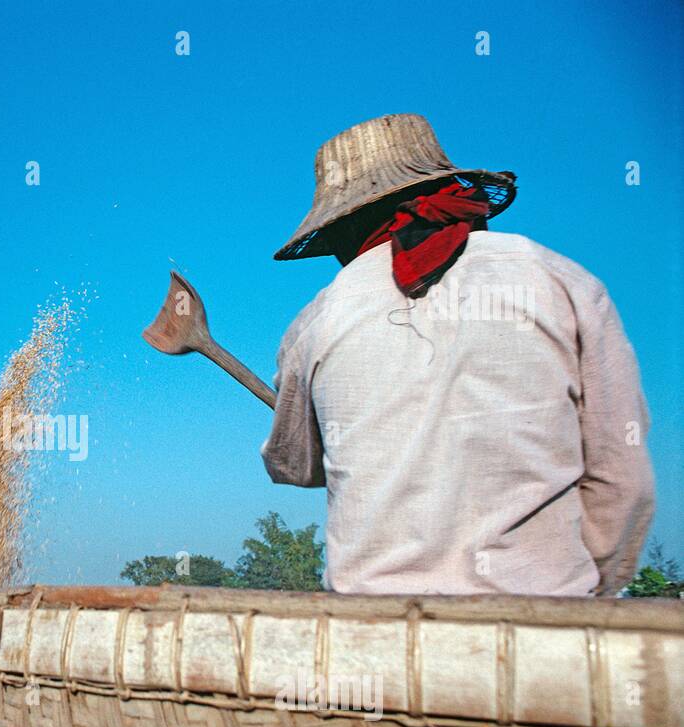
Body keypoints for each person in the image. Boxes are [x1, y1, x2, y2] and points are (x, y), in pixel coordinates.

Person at [262, 113, 654, 595]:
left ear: (343, 229)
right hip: (551, 628)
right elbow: (623, 480)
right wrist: (588, 595)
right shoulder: (561, 282)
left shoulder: (315, 324)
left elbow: (294, 466)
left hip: (371, 630)